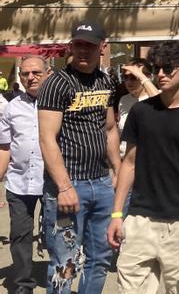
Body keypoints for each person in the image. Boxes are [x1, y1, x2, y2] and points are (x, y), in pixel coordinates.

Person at [107, 41, 179, 293]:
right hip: (139, 219)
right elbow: (129, 163)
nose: (160, 75)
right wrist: (116, 214)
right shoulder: (141, 112)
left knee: (178, 289)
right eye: (156, 69)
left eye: (168, 69)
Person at [38, 20, 121, 294]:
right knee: (65, 263)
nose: (83, 51)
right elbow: (47, 138)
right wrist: (64, 187)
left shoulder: (106, 81)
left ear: (103, 48)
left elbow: (109, 129)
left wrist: (118, 172)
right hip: (69, 185)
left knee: (100, 260)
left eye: (90, 46)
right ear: (71, 46)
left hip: (101, 183)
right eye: (78, 45)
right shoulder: (57, 83)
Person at [0, 56, 50, 294]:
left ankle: (57, 281)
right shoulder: (11, 107)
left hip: (52, 182)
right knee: (20, 235)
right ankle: (22, 286)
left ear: (47, 73)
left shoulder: (59, 103)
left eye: (36, 73)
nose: (30, 77)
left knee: (57, 234)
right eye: (25, 74)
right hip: (19, 183)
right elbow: (5, 147)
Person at [117, 59, 159, 158]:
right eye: (125, 77)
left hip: (149, 161)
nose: (128, 81)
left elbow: (160, 104)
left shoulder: (156, 97)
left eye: (133, 77)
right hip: (126, 160)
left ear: (147, 77)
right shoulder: (124, 100)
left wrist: (142, 77)